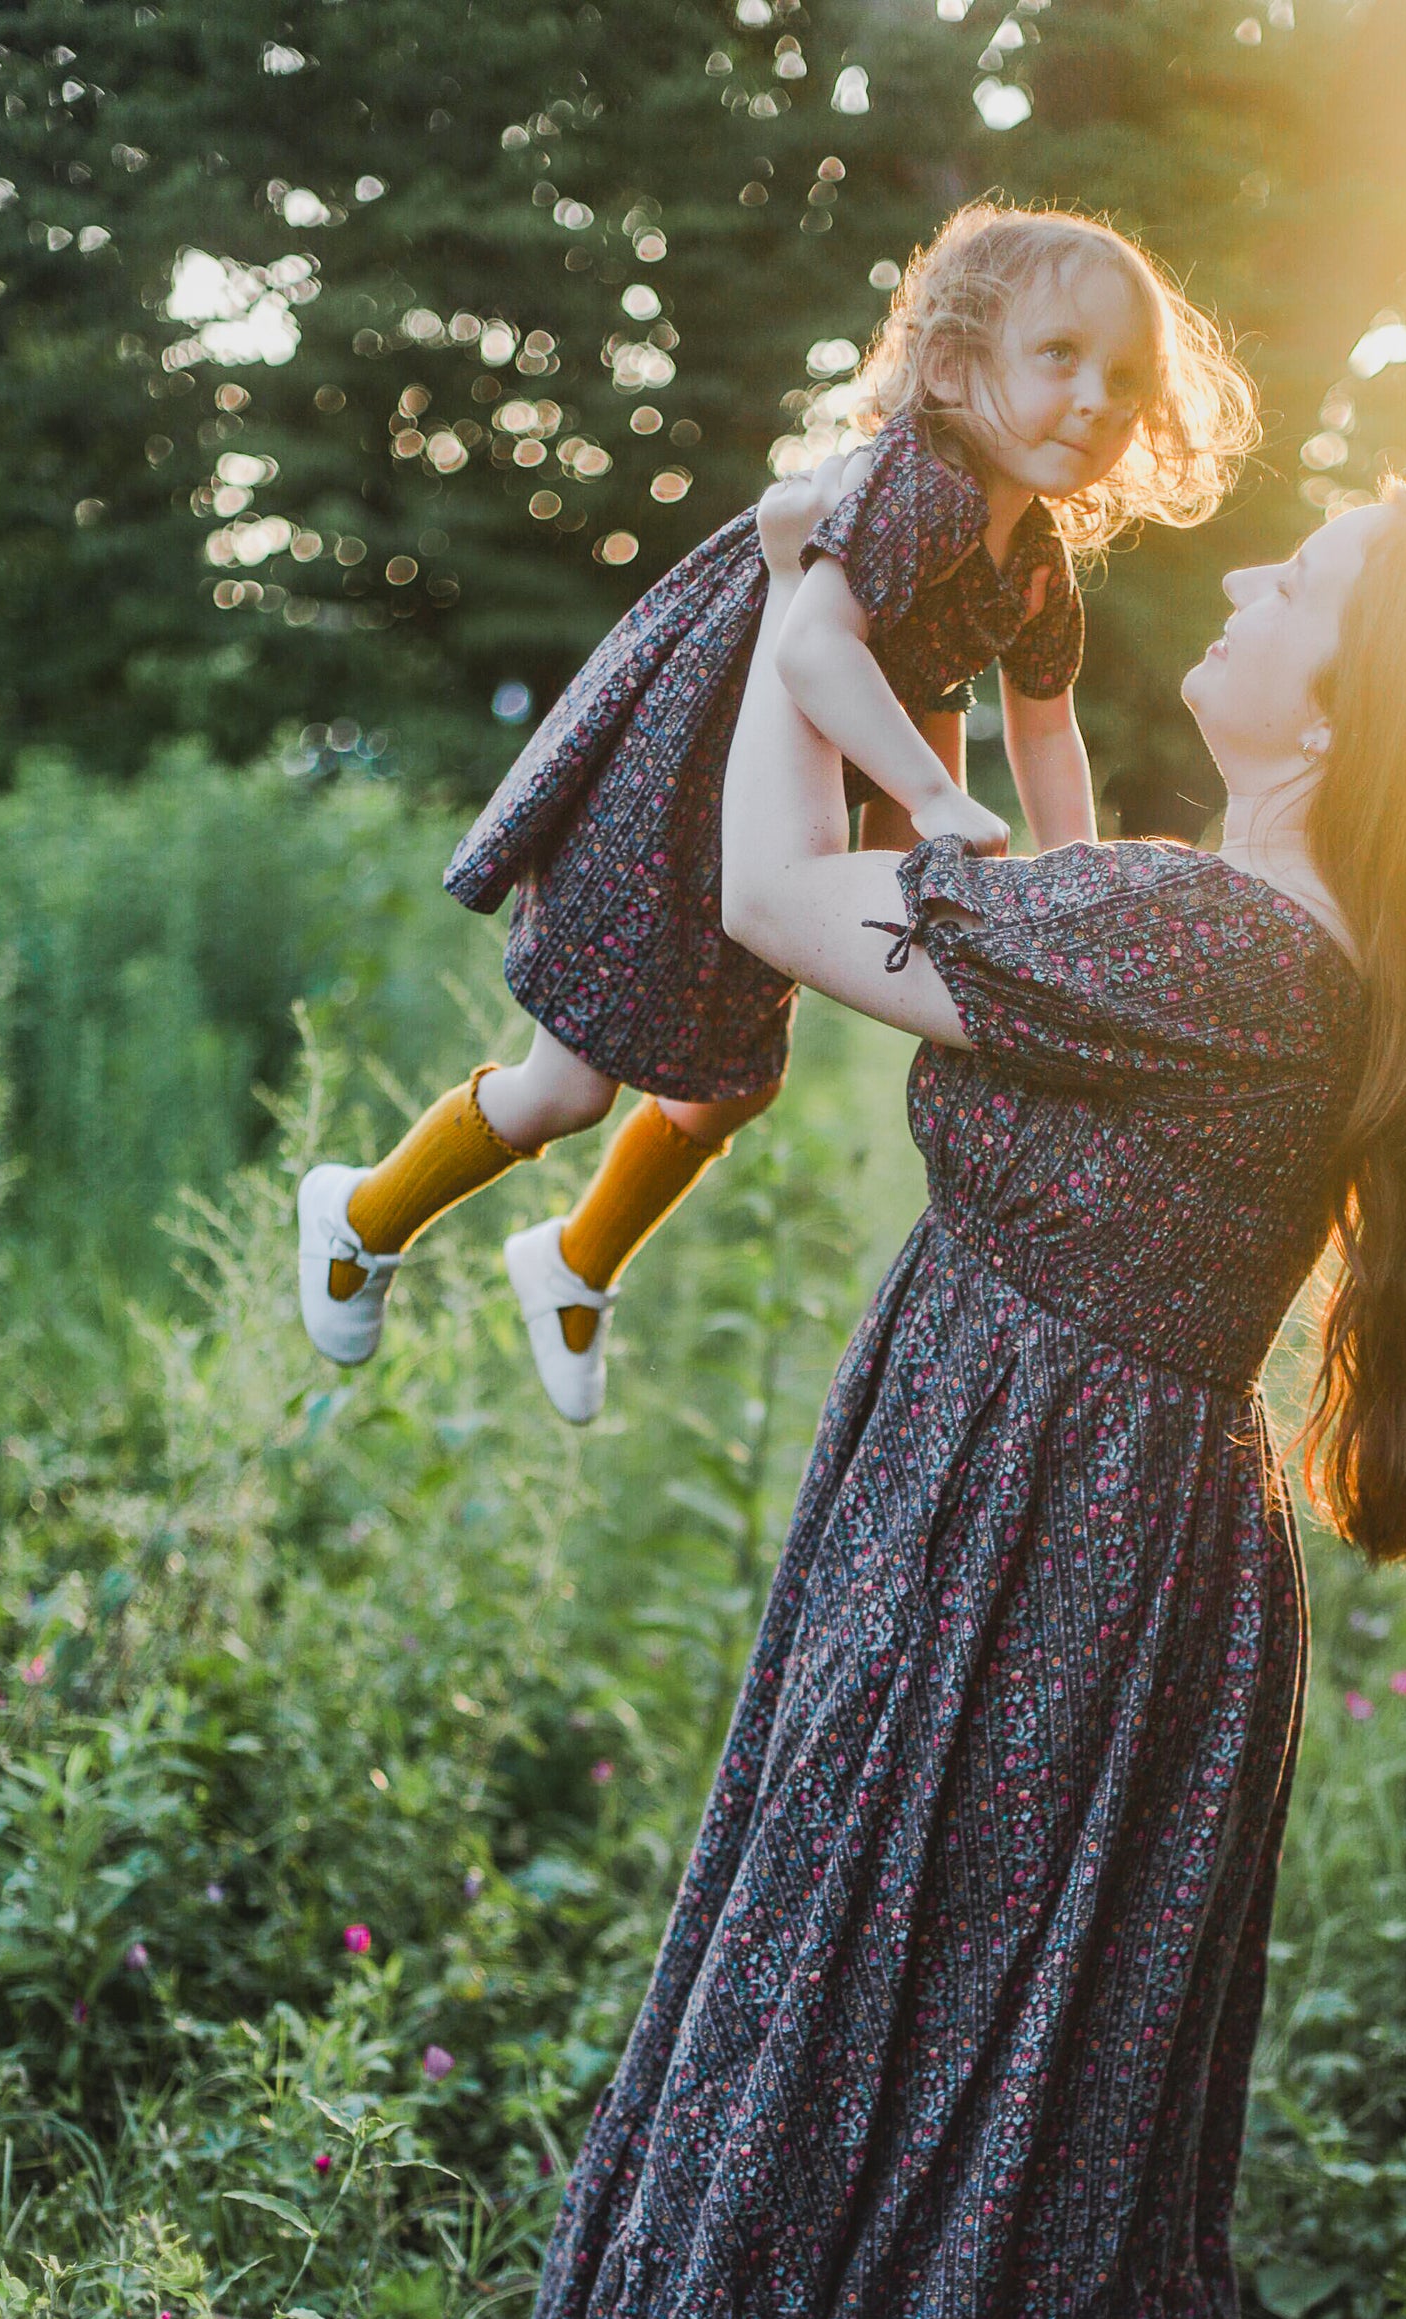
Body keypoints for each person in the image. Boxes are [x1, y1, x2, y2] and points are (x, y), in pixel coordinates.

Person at [516, 465, 1406, 2319]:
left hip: (1033, 1539)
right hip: (1082, 1524)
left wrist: (796, 582)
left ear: (1352, 706)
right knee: (976, 2069)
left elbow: (767, 898)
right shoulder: (1251, 930)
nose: (1243, 577)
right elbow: (1027, 863)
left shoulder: (1220, 944)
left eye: (1298, 580)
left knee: (896, 2024)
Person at [294, 204, 1255, 1420]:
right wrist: (930, 796)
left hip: (787, 791)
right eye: (1056, 355)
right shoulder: (925, 490)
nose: (1095, 398)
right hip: (680, 781)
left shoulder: (1032, 559)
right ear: (954, 367)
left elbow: (1046, 724)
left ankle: (574, 1261)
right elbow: (810, 652)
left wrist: (1075, 884)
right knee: (567, 1088)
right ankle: (360, 1215)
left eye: (1124, 378)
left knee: (733, 1082)